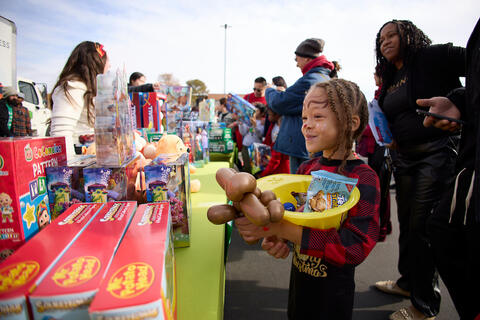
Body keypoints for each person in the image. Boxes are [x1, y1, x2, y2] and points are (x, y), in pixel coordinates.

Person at [236, 79, 380, 319]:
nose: (307, 126)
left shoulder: (363, 177)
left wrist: (284, 228)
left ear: (351, 123)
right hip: (300, 289)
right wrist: (281, 239)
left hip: (333, 299)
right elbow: (301, 223)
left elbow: (354, 248)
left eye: (318, 117)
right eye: (304, 118)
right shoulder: (306, 169)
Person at [372, 20, 465, 320]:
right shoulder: (391, 76)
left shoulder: (431, 56)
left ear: (408, 36)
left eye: (391, 35)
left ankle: (424, 306)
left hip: (437, 153)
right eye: (381, 38)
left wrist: (461, 102)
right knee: (407, 224)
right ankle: (408, 282)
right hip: (405, 159)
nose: (385, 41)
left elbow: (472, 61)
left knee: (422, 227)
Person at [418, 17, 480, 320]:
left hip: (445, 159)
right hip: (469, 162)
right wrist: (459, 102)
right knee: (443, 233)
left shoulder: (436, 54)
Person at [265, 38, 333, 174]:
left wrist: (269, 90)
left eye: (297, 60)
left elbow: (279, 103)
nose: (297, 65)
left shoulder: (310, 80)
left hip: (303, 147)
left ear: (307, 59)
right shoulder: (322, 77)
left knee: (301, 188)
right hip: (308, 145)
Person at [50, 41, 110, 159]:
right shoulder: (73, 88)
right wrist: (70, 171)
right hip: (78, 160)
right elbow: (61, 134)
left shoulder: (87, 89)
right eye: (106, 64)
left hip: (89, 160)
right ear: (96, 64)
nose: (109, 68)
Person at [260, 106, 290, 177]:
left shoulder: (282, 134)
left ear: (277, 115)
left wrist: (264, 174)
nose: (268, 117)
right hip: (272, 164)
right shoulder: (273, 125)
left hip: (280, 171)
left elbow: (276, 159)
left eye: (269, 115)